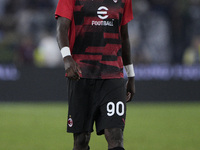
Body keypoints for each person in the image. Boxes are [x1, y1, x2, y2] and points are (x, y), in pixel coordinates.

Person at [55, 0, 135, 150]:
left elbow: (124, 36)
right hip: (81, 74)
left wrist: (131, 75)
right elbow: (61, 28)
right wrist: (67, 58)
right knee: (81, 140)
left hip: (112, 75)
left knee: (116, 136)